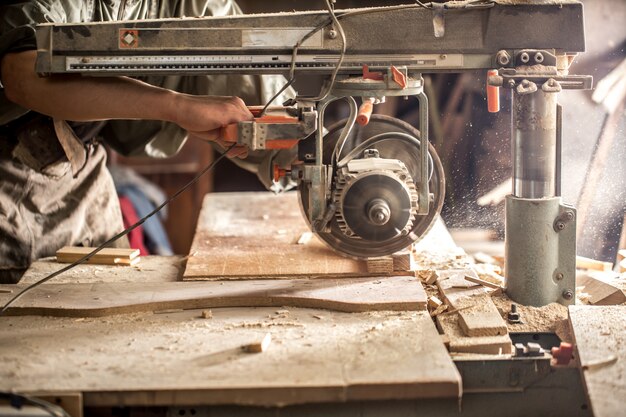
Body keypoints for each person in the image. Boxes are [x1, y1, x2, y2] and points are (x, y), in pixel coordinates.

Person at [0, 0, 294, 283]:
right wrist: (178, 107)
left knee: (115, 306)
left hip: (83, 173)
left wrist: (300, 147)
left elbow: (245, 62)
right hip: (9, 181)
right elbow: (21, 75)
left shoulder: (184, 5)